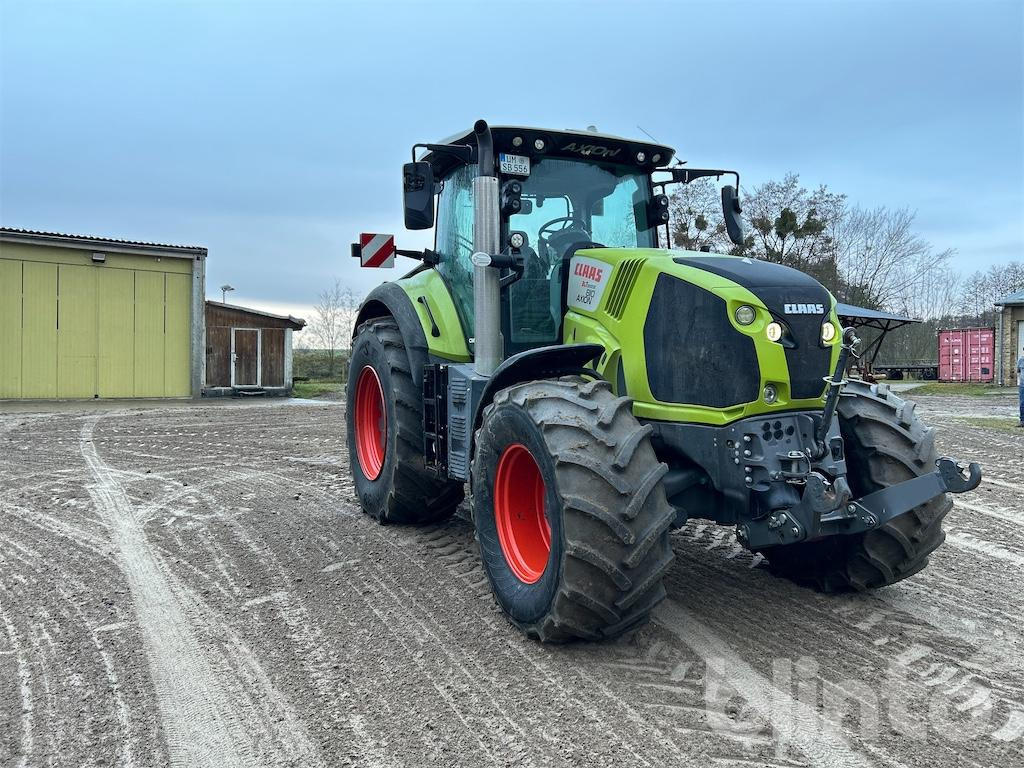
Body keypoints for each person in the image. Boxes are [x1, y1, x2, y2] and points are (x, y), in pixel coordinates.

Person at [1018, 349, 1024, 427]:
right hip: (1023, 385)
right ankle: (1022, 421)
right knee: (1022, 403)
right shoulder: (1021, 360)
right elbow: (1018, 371)